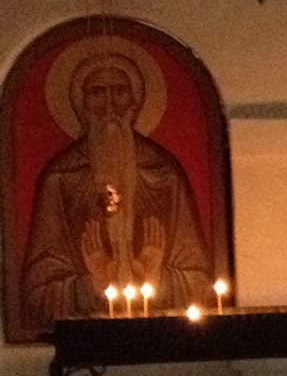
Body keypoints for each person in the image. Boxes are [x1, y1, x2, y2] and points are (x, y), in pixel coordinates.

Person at [19, 48, 214, 328]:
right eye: (97, 93)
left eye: (119, 91)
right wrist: (93, 282)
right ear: (82, 104)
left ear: (135, 101)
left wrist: (156, 276)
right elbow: (36, 298)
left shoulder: (164, 175)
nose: (109, 106)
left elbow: (201, 286)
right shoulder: (60, 179)